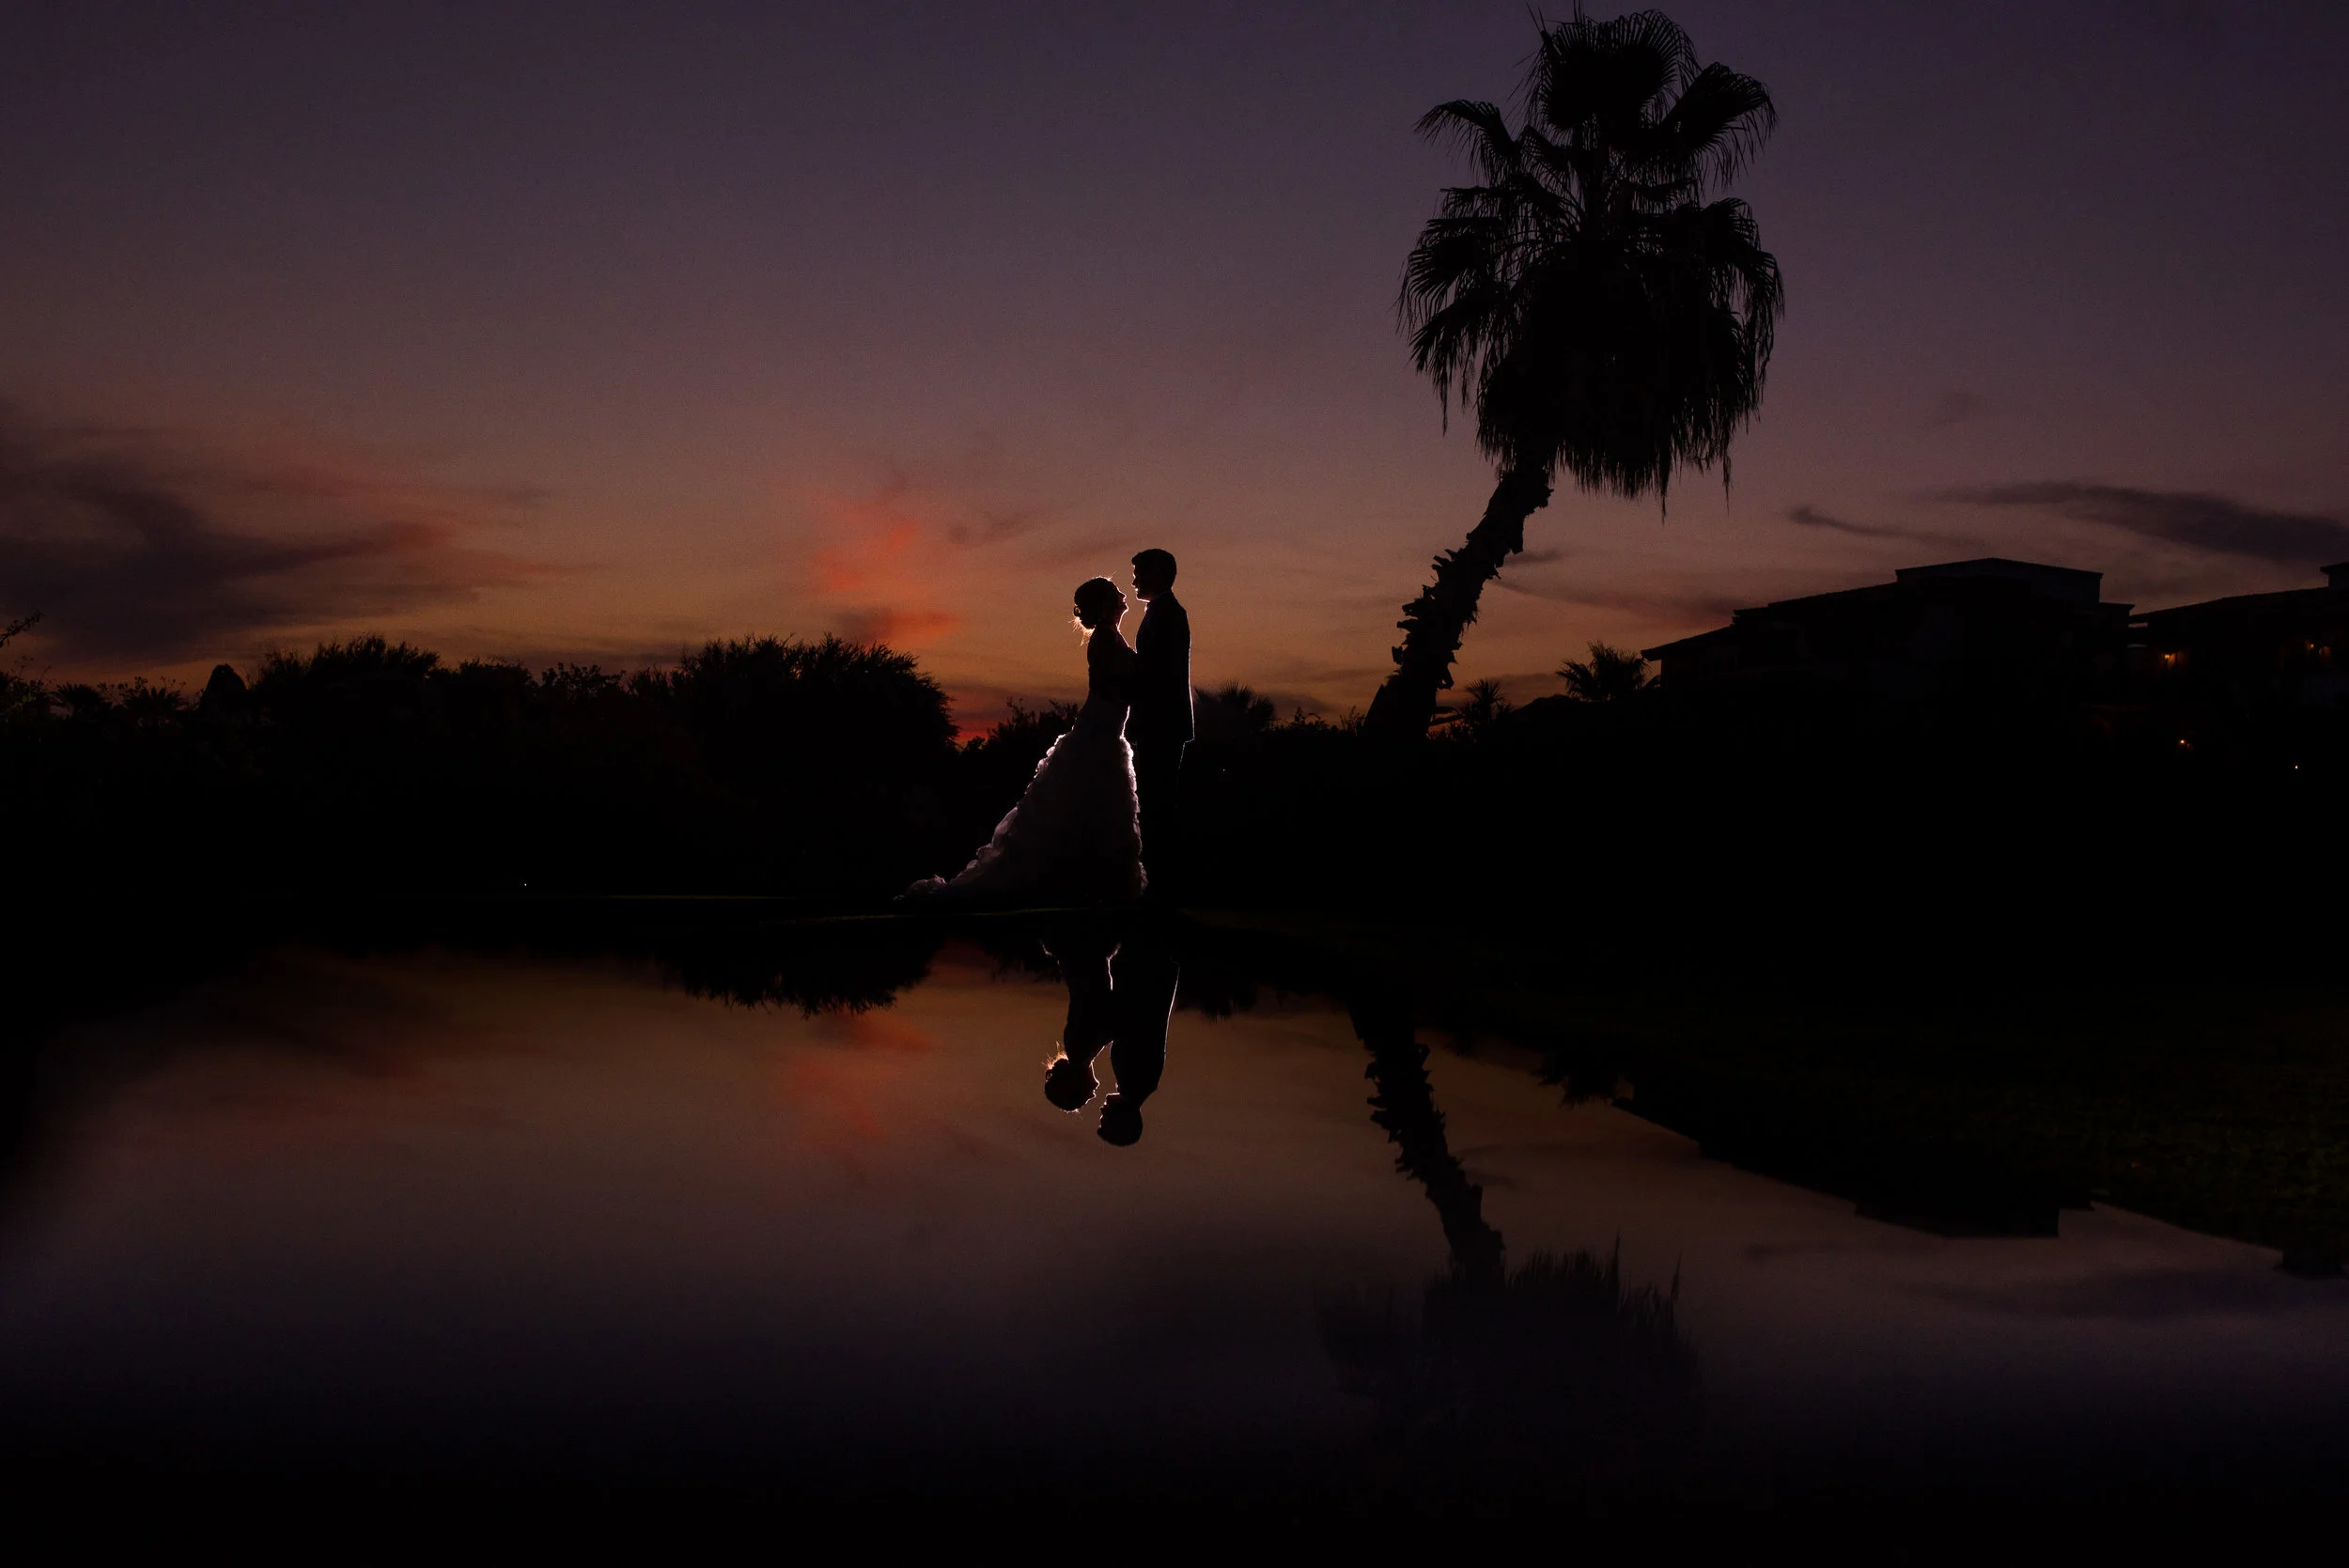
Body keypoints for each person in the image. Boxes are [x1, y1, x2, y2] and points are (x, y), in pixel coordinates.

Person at [902, 578, 1145, 906]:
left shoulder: (1111, 636)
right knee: (1090, 806)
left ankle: (1091, 885)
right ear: (1105, 603)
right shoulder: (1104, 638)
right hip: (1099, 731)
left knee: (1092, 809)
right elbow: (1109, 687)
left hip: (1108, 730)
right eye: (1114, 591)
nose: (1122, 593)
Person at [1127, 550, 1192, 893]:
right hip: (1159, 721)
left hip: (1162, 722)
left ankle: (1163, 883)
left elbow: (1158, 675)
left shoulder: (1168, 614)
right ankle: (1158, 881)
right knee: (1154, 801)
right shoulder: (1160, 612)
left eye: (1138, 572)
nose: (1134, 580)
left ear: (1157, 573)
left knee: (1158, 803)